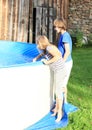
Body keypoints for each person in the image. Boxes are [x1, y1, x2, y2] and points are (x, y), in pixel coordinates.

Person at [33, 35, 66, 122]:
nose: (37, 45)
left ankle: (60, 113)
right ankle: (56, 110)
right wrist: (36, 58)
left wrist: (47, 62)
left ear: (41, 43)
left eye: (38, 43)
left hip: (60, 70)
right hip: (56, 70)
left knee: (58, 92)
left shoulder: (49, 48)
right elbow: (42, 53)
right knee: (57, 90)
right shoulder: (45, 49)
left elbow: (58, 56)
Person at [54, 18, 73, 103]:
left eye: (56, 26)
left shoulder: (65, 36)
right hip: (65, 62)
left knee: (61, 84)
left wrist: (62, 62)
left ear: (61, 26)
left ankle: (62, 102)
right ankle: (65, 101)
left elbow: (67, 51)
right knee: (63, 83)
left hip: (66, 62)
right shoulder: (62, 35)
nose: (55, 28)